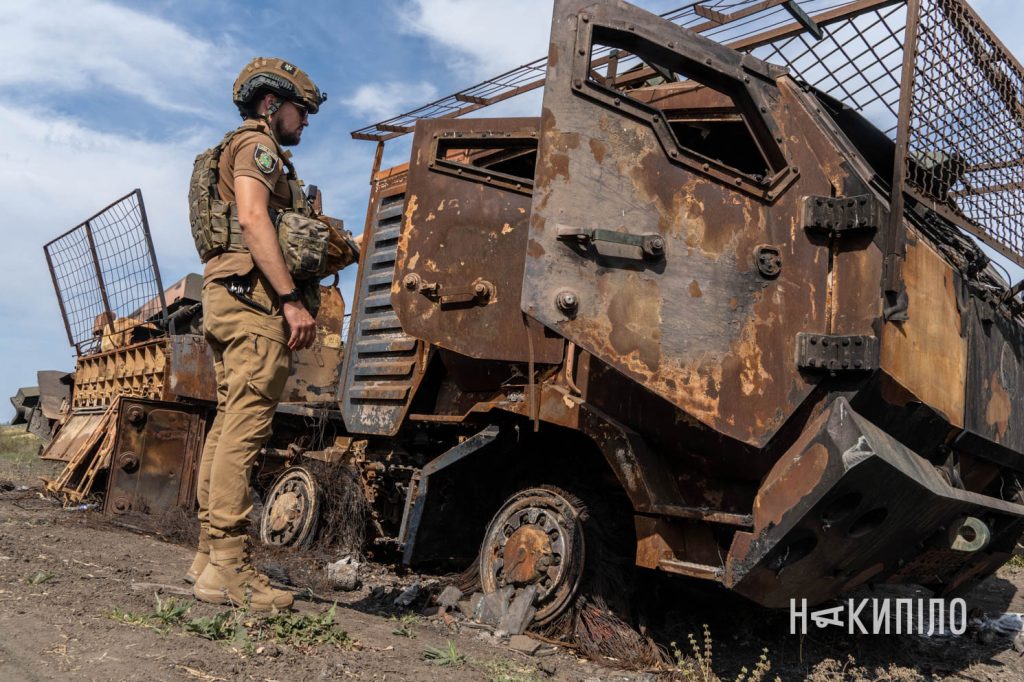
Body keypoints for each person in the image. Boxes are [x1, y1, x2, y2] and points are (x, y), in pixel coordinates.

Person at [185, 57, 352, 611]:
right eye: (300, 111)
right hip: (253, 302)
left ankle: (210, 557)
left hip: (227, 297)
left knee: (228, 424)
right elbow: (255, 219)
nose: (305, 121)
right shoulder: (257, 148)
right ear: (270, 105)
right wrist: (288, 299)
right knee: (246, 430)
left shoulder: (234, 149)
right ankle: (229, 569)